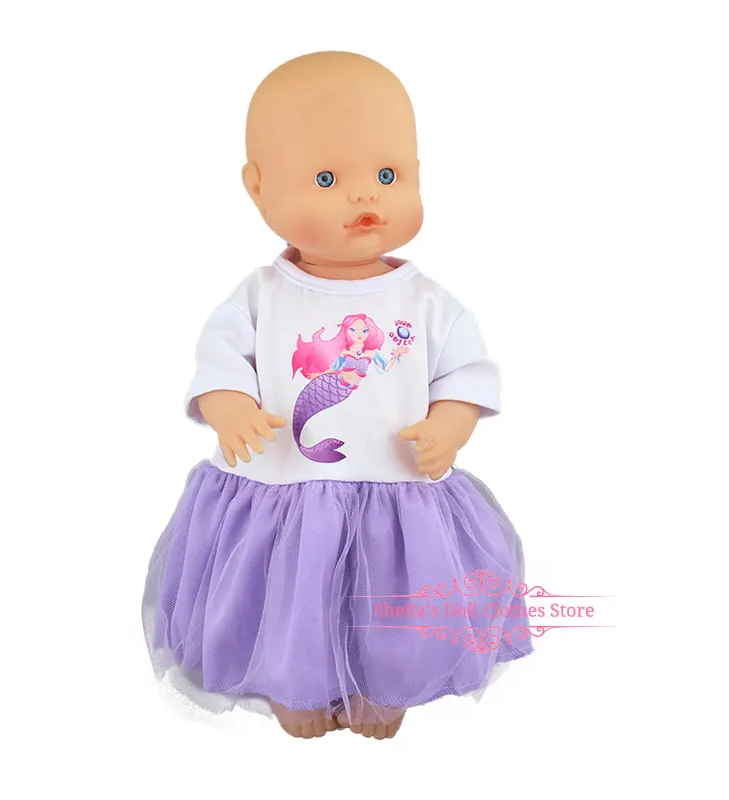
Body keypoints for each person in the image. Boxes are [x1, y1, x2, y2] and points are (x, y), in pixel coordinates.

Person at [142, 51, 532, 740]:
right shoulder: (261, 296)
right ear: (258, 188)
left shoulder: (428, 301)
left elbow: (467, 374)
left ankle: (385, 688)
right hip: (280, 485)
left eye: (388, 176)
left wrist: (451, 423)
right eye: (327, 179)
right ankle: (292, 684)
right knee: (289, 598)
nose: (364, 197)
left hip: (397, 489)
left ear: (418, 174)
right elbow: (219, 362)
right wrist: (229, 406)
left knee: (394, 600)